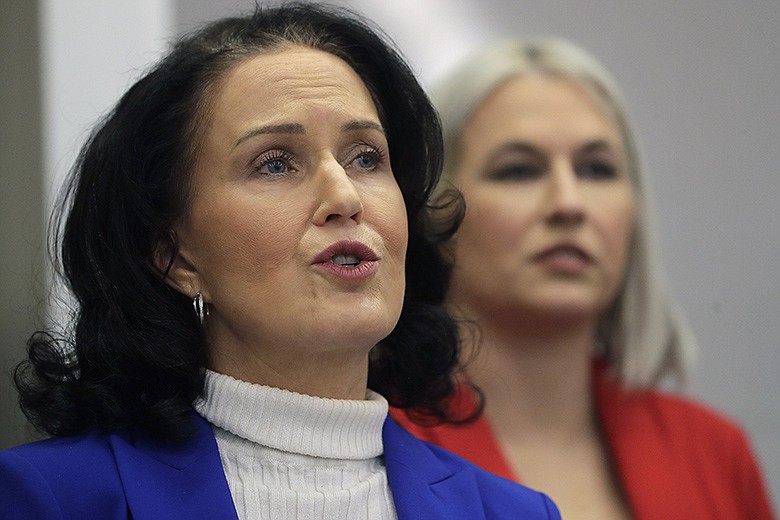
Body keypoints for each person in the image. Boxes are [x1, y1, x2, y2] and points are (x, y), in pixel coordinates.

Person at [0, 8, 561, 519]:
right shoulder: (49, 497)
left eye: (367, 157)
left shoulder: (515, 512)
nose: (345, 196)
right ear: (174, 255)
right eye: (275, 164)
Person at [391, 38, 775, 520]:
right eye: (519, 171)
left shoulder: (716, 453)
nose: (569, 204)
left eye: (597, 169)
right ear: (435, 214)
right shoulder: (381, 444)